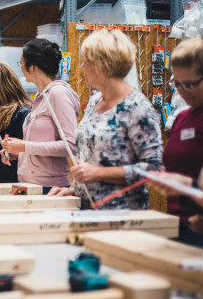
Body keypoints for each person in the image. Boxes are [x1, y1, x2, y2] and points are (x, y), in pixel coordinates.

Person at [48, 29, 164, 210]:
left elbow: (154, 169)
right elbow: (89, 158)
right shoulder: (95, 101)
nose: (82, 67)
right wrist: (75, 188)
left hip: (122, 215)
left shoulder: (137, 107)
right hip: (87, 210)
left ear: (103, 64)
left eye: (87, 62)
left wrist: (98, 174)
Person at [154, 38, 203, 251]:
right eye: (177, 84)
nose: (183, 91)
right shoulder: (181, 117)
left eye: (189, 84)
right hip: (176, 227)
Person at [0, 39, 79, 193]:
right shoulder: (39, 96)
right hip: (30, 184)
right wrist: (18, 152)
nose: (20, 67)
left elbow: (71, 145)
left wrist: (25, 146)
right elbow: (39, 144)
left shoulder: (58, 94)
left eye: (21, 63)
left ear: (33, 67)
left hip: (51, 187)